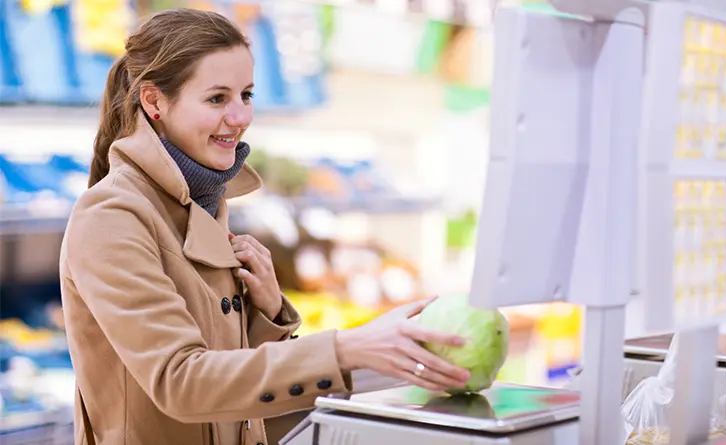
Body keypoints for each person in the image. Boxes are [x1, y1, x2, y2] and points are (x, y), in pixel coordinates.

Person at [59, 8, 471, 445]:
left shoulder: (204, 201)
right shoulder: (111, 216)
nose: (241, 117)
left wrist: (269, 314)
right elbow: (181, 382)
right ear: (155, 102)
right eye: (217, 98)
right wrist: (347, 348)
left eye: (247, 95)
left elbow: (234, 392)